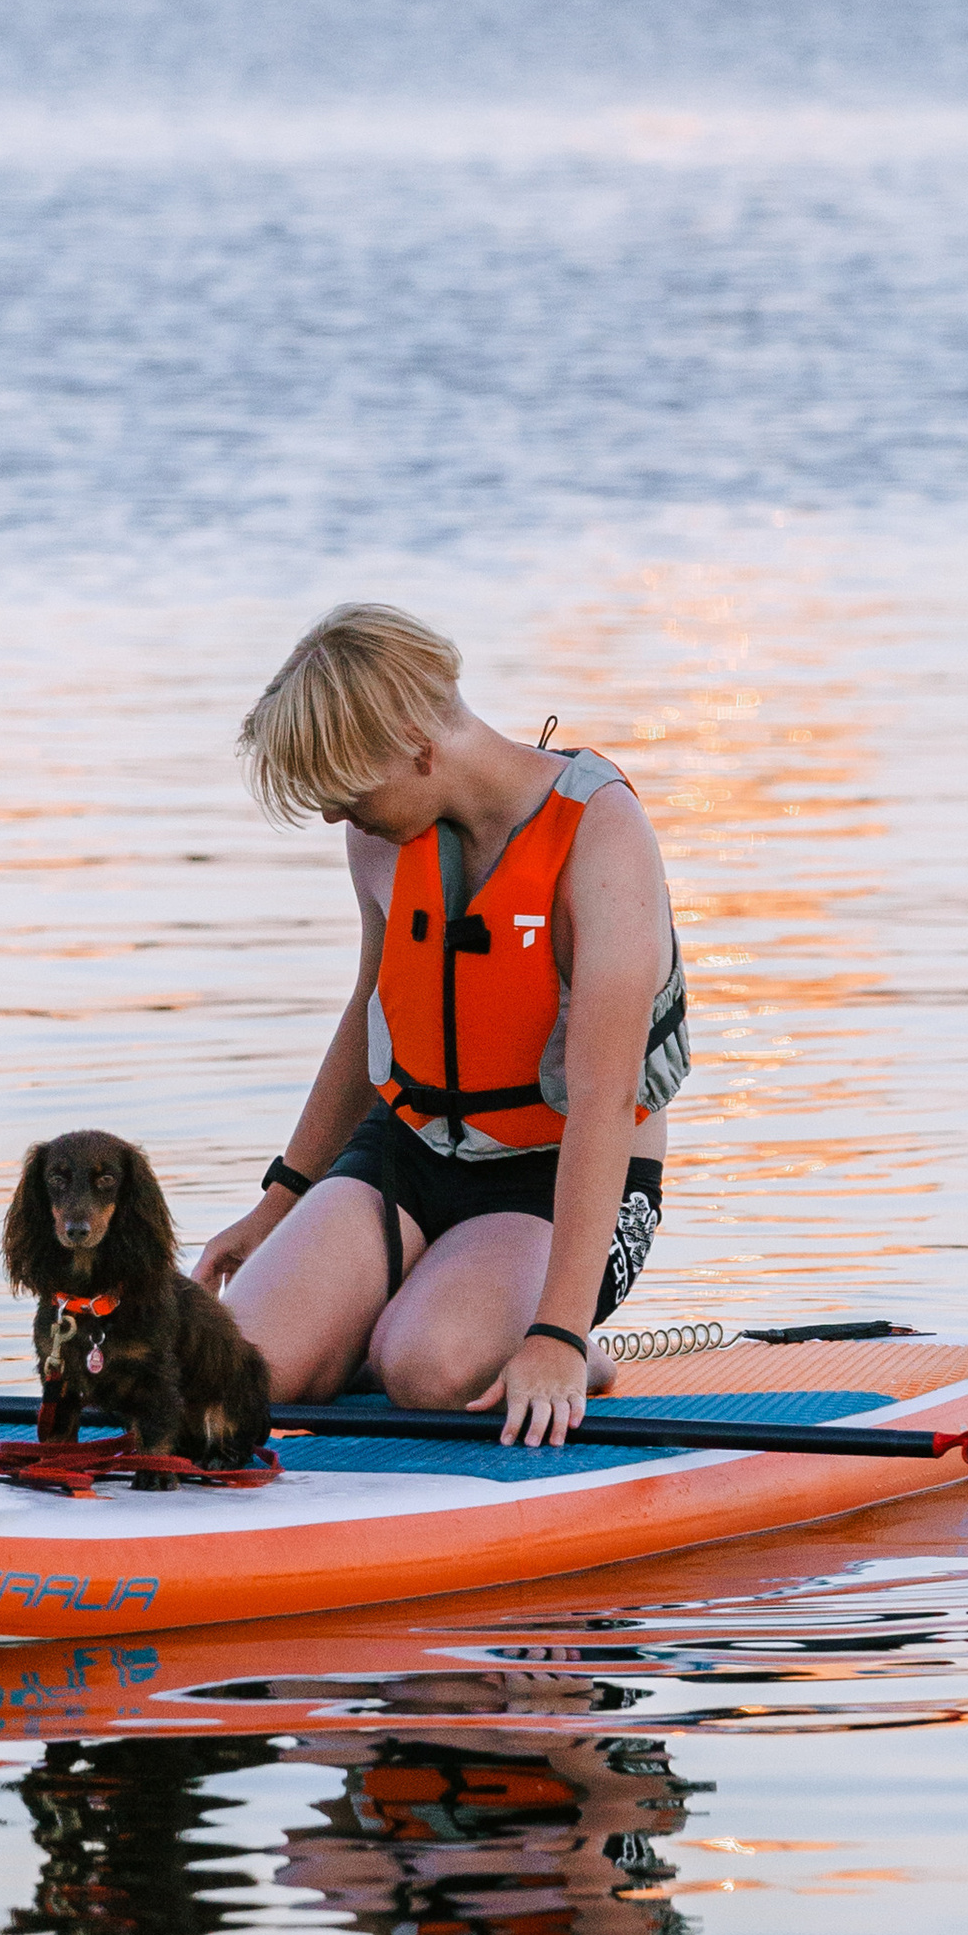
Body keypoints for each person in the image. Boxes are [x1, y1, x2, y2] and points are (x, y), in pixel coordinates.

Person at [194, 602, 689, 1446]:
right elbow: (368, 1019)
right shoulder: (384, 838)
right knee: (234, 1373)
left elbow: (606, 1102)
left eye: (346, 794)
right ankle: (382, 1316)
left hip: (561, 1182)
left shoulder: (601, 836)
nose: (332, 817)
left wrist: (560, 1334)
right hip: (407, 1155)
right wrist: (278, 1202)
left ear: (417, 749)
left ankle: (556, 1348)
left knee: (427, 1372)